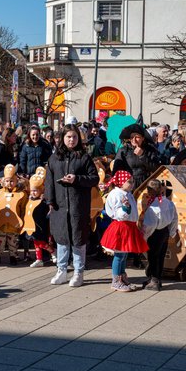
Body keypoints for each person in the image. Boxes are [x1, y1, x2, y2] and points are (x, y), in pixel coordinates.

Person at [44, 124, 100, 287]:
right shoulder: (55, 158)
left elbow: (94, 178)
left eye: (74, 137)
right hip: (60, 206)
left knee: (78, 239)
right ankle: (61, 270)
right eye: (68, 137)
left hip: (78, 205)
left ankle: (78, 272)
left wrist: (77, 179)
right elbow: (49, 182)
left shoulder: (84, 157)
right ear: (62, 138)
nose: (71, 140)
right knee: (61, 239)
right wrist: (50, 200)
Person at [100, 170, 149, 292]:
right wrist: (125, 209)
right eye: (129, 182)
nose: (132, 184)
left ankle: (121, 277)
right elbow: (119, 214)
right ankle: (116, 281)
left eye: (132, 182)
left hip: (128, 226)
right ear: (121, 182)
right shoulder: (117, 194)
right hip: (121, 227)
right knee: (119, 254)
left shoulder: (127, 193)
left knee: (124, 254)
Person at [139, 180, 179, 291]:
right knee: (160, 256)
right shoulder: (168, 202)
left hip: (154, 233)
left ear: (149, 191)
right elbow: (174, 219)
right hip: (165, 232)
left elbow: (150, 224)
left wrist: (144, 237)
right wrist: (172, 232)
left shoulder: (153, 206)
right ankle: (157, 278)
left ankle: (154, 280)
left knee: (153, 257)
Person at [0, 164, 27, 266]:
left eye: (12, 181)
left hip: (13, 225)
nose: (9, 183)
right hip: (1, 223)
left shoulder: (21, 195)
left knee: (13, 242)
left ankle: (13, 256)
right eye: (7, 181)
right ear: (3, 181)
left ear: (16, 181)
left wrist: (23, 220)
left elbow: (23, 209)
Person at [22, 168, 54, 267]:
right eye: (32, 191)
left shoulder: (43, 201)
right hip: (32, 225)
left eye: (35, 191)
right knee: (36, 243)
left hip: (41, 226)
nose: (33, 193)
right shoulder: (30, 200)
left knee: (40, 242)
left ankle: (52, 252)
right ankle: (39, 258)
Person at [115, 124, 160, 190]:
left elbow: (156, 168)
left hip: (146, 184)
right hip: (128, 185)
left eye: (137, 137)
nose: (134, 140)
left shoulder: (150, 150)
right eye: (132, 137)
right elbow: (116, 170)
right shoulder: (123, 151)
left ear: (143, 138)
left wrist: (142, 155)